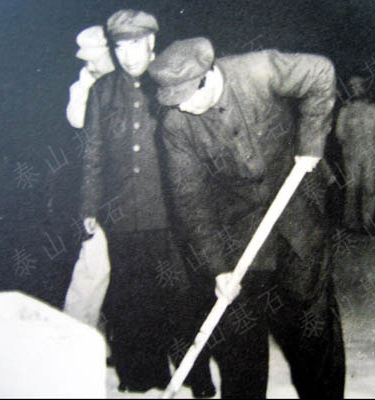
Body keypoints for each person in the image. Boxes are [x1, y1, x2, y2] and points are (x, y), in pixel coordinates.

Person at [150, 37, 345, 398]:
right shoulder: (176, 125)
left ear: (209, 75)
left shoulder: (258, 69)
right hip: (238, 227)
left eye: (189, 96)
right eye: (175, 101)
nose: (184, 107)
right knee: (239, 333)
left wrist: (311, 143)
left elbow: (321, 72)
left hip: (297, 207)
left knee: (312, 323)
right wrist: (218, 268)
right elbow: (191, 200)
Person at [79, 10, 214, 396]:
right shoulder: (102, 91)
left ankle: (195, 376)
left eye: (135, 45)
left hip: (170, 212)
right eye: (120, 47)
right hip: (120, 214)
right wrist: (89, 206)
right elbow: (93, 152)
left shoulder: (168, 82)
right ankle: (141, 377)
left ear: (151, 43)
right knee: (128, 299)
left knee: (181, 296)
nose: (127, 55)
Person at [335, 76, 375, 231]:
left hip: (370, 155)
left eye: (359, 86)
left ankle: (367, 222)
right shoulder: (345, 111)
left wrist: (373, 149)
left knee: (369, 188)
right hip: (352, 156)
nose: (356, 89)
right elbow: (339, 134)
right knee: (352, 188)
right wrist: (349, 148)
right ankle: (350, 222)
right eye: (352, 87)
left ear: (365, 88)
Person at [66, 25, 115, 129]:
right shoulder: (80, 87)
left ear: (111, 55)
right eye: (86, 61)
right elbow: (78, 121)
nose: (90, 67)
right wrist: (86, 87)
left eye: (95, 60)